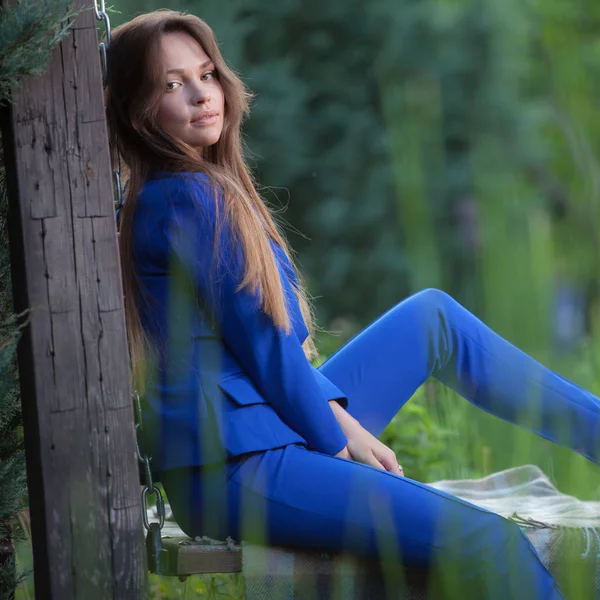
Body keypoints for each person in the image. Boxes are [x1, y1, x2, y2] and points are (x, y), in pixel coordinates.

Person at [105, 9, 598, 599]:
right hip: (238, 467)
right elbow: (265, 348)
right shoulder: (187, 198)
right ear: (139, 112)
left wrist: (337, 423)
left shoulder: (195, 189)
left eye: (206, 74)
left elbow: (266, 350)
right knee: (486, 541)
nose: (200, 95)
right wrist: (341, 445)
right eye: (171, 84)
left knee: (431, 318)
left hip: (258, 429)